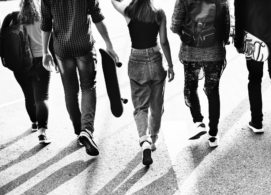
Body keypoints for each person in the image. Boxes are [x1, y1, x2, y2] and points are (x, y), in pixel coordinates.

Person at [41, 0, 119, 156]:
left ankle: (79, 130)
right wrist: (109, 44)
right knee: (88, 86)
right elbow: (97, 16)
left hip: (62, 49)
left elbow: (46, 23)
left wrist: (45, 52)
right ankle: (86, 130)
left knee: (70, 92)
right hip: (84, 46)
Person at [111, 0, 175, 166]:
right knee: (157, 104)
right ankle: (153, 140)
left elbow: (114, 2)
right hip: (155, 60)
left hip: (136, 60)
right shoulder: (159, 13)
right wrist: (170, 65)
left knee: (140, 107)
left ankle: (144, 140)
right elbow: (164, 42)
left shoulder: (129, 11)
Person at [171, 0, 230, 147]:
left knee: (191, 87)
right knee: (213, 90)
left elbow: (174, 25)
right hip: (214, 52)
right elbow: (226, 25)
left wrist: (190, 36)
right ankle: (213, 134)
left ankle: (198, 122)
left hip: (191, 52)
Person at [1, 0, 52, 144]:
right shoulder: (43, 17)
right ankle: (42, 132)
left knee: (28, 95)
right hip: (41, 61)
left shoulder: (11, 17)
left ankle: (34, 122)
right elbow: (52, 39)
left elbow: (2, 41)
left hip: (21, 63)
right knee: (42, 97)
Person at [234, 0, 271, 134]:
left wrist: (238, 41)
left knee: (255, 79)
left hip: (253, 38)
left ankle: (257, 121)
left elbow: (239, 14)